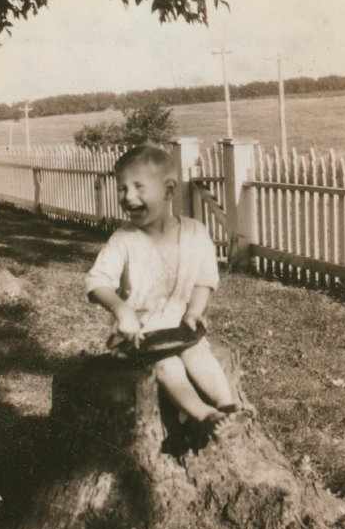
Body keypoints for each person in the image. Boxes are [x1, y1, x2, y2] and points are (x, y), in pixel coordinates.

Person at [85, 144, 253, 443]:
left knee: (199, 354)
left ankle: (228, 406)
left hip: (178, 328)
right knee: (168, 365)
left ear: (168, 189)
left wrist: (193, 311)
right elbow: (98, 281)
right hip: (138, 340)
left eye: (138, 187)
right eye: (122, 189)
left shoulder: (195, 232)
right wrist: (122, 312)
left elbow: (204, 279)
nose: (128, 197)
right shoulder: (124, 239)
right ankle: (204, 416)